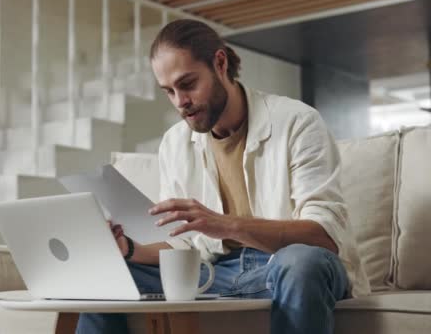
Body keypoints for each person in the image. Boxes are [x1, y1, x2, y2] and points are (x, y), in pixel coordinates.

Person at [77, 19, 370, 334]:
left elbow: (322, 237)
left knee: (300, 262)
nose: (180, 102)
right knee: (107, 275)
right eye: (169, 91)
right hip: (216, 273)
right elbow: (182, 247)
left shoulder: (298, 122)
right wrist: (128, 249)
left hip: (287, 267)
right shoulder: (175, 144)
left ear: (220, 63)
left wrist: (226, 224)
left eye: (188, 84)